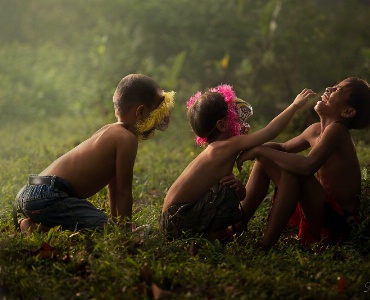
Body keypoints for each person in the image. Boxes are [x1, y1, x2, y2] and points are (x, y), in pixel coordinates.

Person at [13, 74, 175, 234]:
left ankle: (39, 224)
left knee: (103, 223)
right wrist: (124, 234)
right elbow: (123, 192)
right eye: (155, 114)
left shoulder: (109, 130)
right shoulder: (127, 139)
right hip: (47, 196)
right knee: (106, 230)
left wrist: (119, 223)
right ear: (140, 112)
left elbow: (114, 186)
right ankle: (34, 228)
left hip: (32, 191)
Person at [236, 77, 370, 249]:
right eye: (334, 86)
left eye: (338, 90)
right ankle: (235, 225)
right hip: (316, 210)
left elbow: (307, 166)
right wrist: (253, 148)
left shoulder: (337, 131)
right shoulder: (314, 130)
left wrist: (259, 150)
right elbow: (283, 148)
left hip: (338, 222)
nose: (329, 88)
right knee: (266, 158)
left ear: (348, 112)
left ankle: (264, 244)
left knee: (293, 171)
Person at [159, 84, 315, 240]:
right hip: (179, 218)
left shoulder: (215, 150)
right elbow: (270, 132)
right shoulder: (226, 146)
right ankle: (211, 240)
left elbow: (241, 195)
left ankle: (212, 235)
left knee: (228, 188)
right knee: (226, 191)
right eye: (234, 114)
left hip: (170, 220)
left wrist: (238, 186)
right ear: (222, 124)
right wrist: (294, 106)